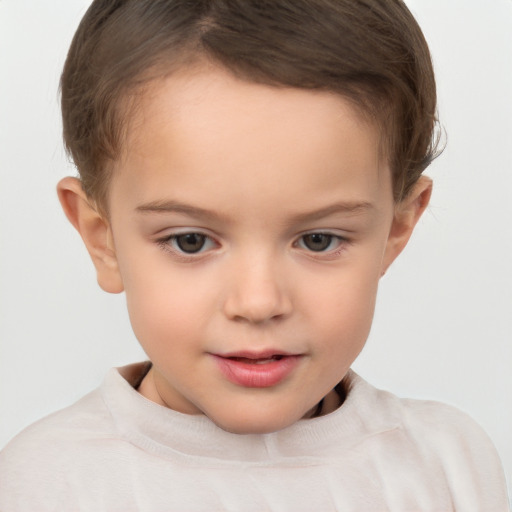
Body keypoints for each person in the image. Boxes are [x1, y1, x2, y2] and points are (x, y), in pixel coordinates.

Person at [0, 0, 509, 510]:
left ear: (397, 229)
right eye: (191, 241)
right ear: (101, 237)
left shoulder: (450, 467)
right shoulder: (45, 484)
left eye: (318, 240)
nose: (259, 302)